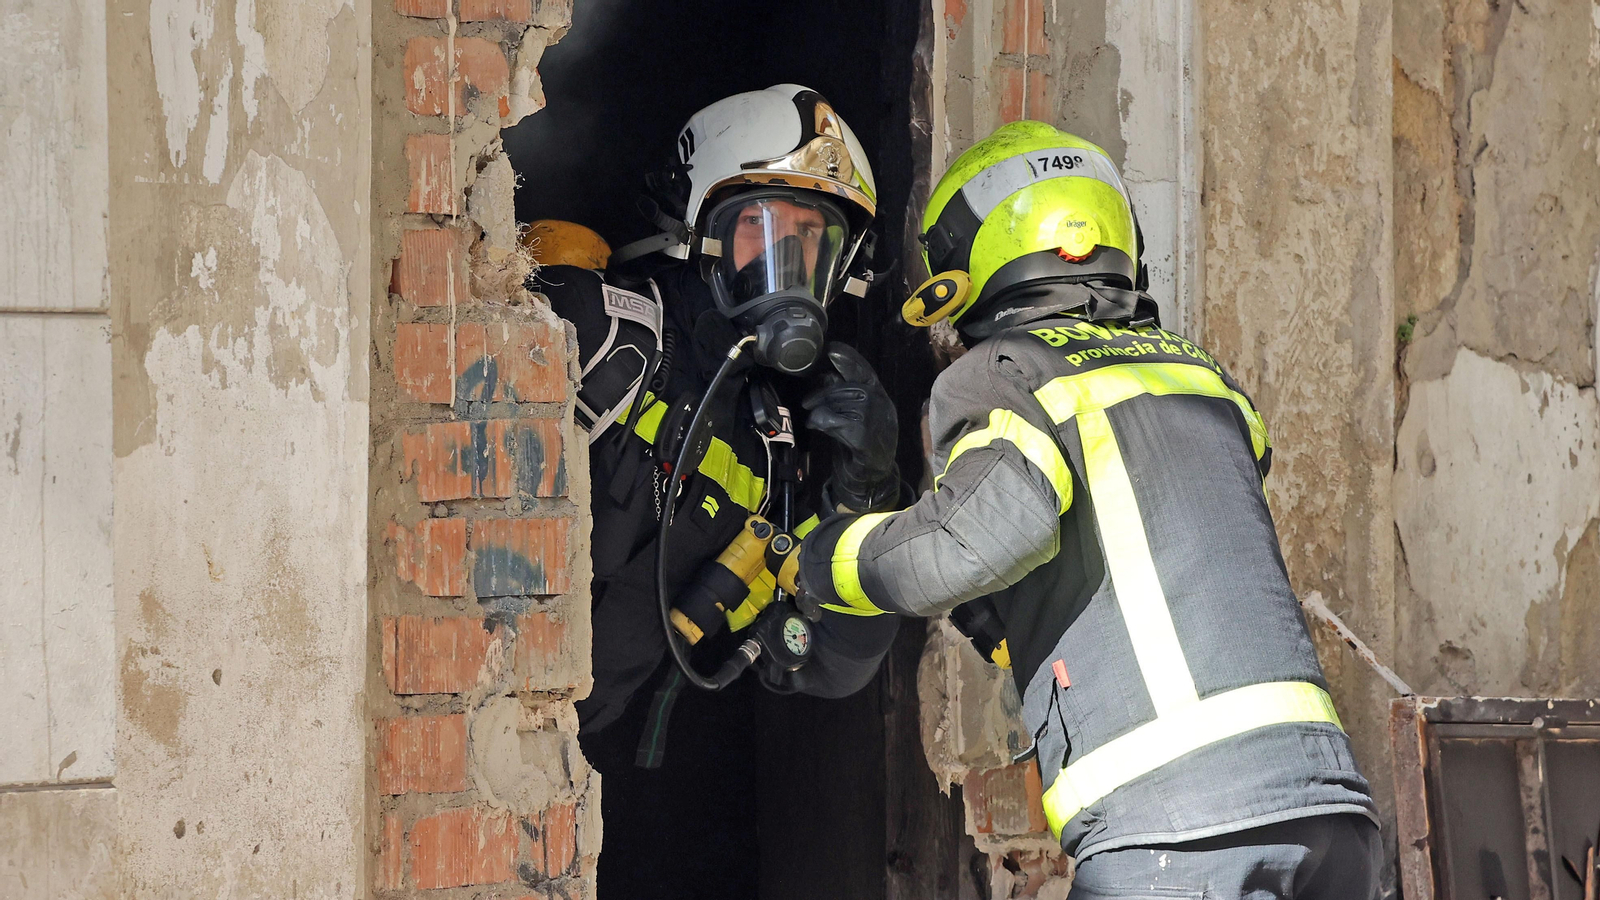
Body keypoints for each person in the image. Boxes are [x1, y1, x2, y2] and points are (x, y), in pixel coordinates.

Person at [792, 121, 1382, 898]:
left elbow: (970, 544)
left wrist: (821, 558)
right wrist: (1000, 624)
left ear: (969, 268)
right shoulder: (1201, 377)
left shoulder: (1006, 372)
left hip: (1175, 827)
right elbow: (1130, 556)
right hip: (1332, 817)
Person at [531, 85, 903, 895]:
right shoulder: (600, 343)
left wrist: (868, 496)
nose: (791, 273)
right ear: (695, 230)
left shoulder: (784, 448)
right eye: (764, 233)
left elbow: (829, 666)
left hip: (634, 802)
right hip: (493, 759)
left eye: (816, 245)